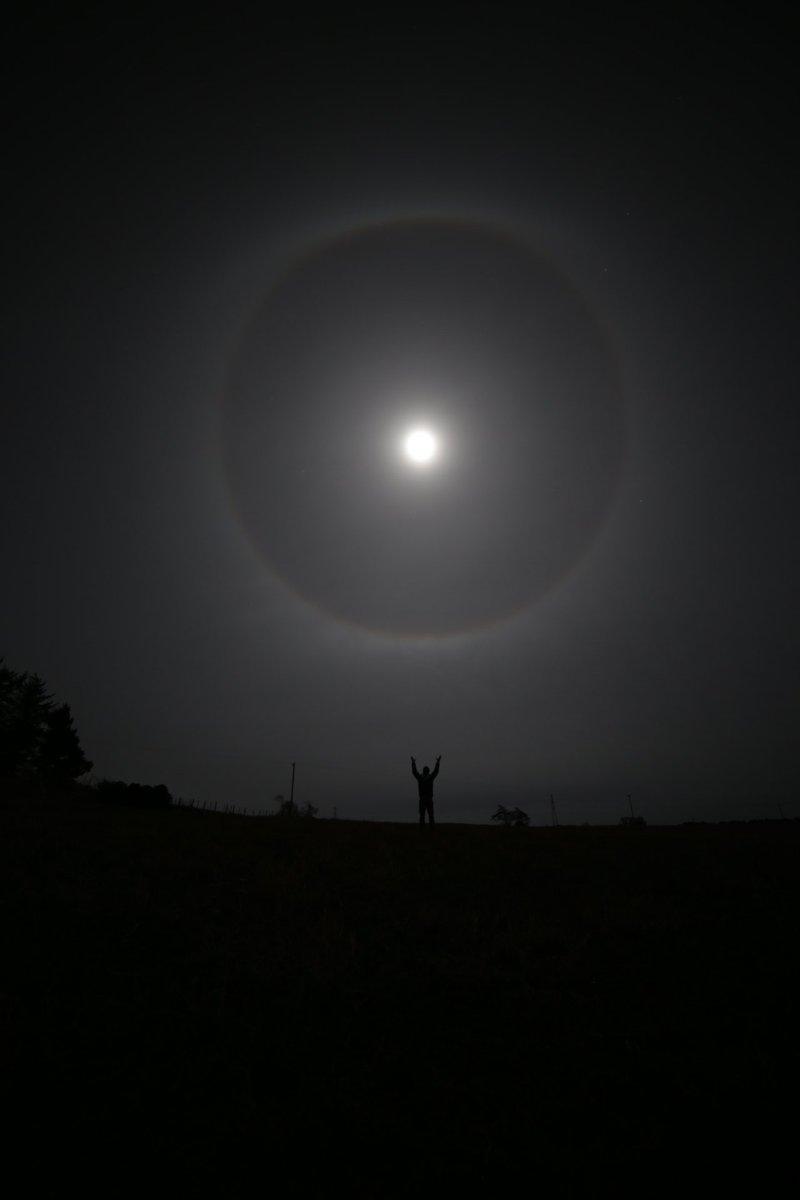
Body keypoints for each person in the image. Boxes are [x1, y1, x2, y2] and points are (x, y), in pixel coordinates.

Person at [411, 755, 441, 827]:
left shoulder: (420, 778)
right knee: (430, 815)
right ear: (428, 771)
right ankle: (431, 829)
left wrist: (413, 763)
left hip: (423, 799)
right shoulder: (430, 778)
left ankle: (423, 830)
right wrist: (438, 762)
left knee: (423, 815)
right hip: (428, 798)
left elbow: (414, 772)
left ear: (424, 771)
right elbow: (436, 771)